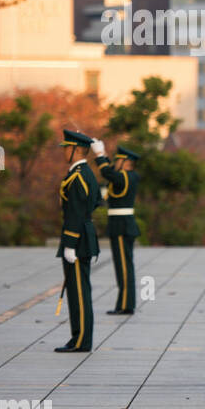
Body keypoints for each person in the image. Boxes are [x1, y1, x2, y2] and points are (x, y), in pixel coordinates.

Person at [56, 129, 101, 353]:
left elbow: (75, 211)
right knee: (76, 290)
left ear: (76, 150)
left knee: (80, 292)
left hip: (78, 238)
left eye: (66, 147)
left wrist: (70, 243)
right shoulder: (85, 173)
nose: (64, 151)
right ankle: (78, 337)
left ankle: (82, 340)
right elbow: (95, 202)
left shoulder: (79, 175)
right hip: (83, 234)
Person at [93, 142, 141, 315]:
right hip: (121, 225)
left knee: (124, 267)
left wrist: (99, 155)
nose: (115, 163)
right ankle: (124, 303)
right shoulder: (126, 176)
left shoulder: (125, 177)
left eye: (117, 161)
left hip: (122, 226)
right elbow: (110, 174)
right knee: (122, 266)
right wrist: (103, 155)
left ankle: (126, 305)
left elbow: (107, 172)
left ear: (125, 162)